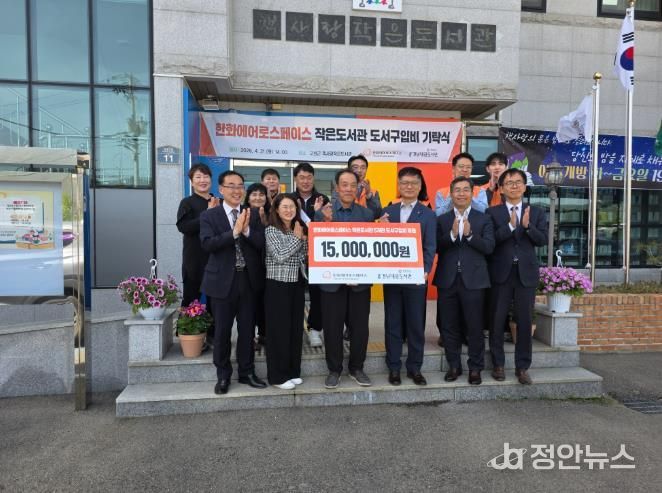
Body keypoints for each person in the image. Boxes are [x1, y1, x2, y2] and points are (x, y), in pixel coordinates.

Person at [200, 170, 267, 395]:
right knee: (222, 331)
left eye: (240, 186)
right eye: (231, 186)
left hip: (248, 280)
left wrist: (246, 230)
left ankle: (247, 372)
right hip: (221, 282)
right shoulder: (209, 216)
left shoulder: (253, 214)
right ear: (221, 189)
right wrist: (234, 233)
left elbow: (262, 243)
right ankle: (223, 375)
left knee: (247, 330)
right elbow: (207, 244)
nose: (237, 190)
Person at [314, 169, 375, 389]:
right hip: (332, 282)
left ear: (358, 189)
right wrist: (325, 222)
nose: (349, 189)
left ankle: (357, 368)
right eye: (344, 185)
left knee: (360, 328)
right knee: (332, 328)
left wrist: (358, 273)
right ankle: (334, 369)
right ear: (337, 188)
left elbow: (371, 249)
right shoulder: (323, 213)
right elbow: (318, 247)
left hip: (360, 283)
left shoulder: (367, 215)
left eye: (353, 185)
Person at [487, 168, 547, 385]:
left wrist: (527, 227)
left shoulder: (536, 212)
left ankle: (522, 367)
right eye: (509, 183)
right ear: (501, 189)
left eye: (518, 182)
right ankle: (498, 365)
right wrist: (510, 226)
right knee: (496, 320)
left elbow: (542, 240)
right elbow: (490, 242)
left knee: (524, 321)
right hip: (500, 273)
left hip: (525, 274)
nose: (514, 186)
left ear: (524, 186)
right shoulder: (492, 213)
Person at [434, 177, 495, 385]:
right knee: (449, 326)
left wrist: (469, 236)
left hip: (474, 281)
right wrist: (452, 235)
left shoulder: (484, 219)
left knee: (474, 326)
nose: (461, 194)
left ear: (472, 193)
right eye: (457, 190)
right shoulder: (442, 219)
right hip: (447, 280)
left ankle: (475, 368)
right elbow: (436, 247)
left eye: (465, 190)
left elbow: (489, 247)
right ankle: (454, 366)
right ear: (451, 194)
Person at [379, 167, 436, 386]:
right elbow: (379, 244)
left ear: (420, 186)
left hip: (416, 278)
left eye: (413, 183)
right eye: (404, 183)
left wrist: (425, 270)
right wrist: (381, 228)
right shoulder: (388, 212)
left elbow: (430, 247)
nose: (409, 186)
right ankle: (394, 367)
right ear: (399, 185)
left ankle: (415, 368)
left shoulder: (428, 214)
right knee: (392, 323)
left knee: (415, 325)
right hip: (392, 277)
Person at [264, 194, 308, 390]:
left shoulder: (297, 228)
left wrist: (303, 240)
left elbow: (302, 255)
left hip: (296, 283)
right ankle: (277, 376)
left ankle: (293, 371)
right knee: (279, 331)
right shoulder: (271, 230)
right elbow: (280, 255)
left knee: (295, 330)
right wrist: (298, 239)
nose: (289, 210)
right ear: (276, 209)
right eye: (285, 206)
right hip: (277, 284)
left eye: (292, 207)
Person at [176, 163, 219, 347]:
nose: (203, 180)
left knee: (215, 300)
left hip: (215, 258)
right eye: (198, 177)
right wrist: (207, 214)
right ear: (192, 182)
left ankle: (213, 337)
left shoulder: (218, 201)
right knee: (191, 298)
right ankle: (188, 338)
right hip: (194, 258)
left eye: (206, 176)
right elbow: (183, 227)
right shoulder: (187, 202)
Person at [292, 162, 329, 348]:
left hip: (317, 253)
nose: (305, 181)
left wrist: (317, 214)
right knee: (294, 293)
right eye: (301, 177)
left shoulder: (323, 199)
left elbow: (328, 226)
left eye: (309, 177)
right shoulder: (289, 199)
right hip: (293, 253)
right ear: (295, 179)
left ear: (313, 178)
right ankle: (294, 329)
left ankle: (315, 329)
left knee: (317, 293)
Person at [243, 182, 269, 349]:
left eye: (261, 194)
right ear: (248, 197)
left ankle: (264, 335)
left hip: (268, 267)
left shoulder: (272, 213)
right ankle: (250, 337)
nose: (258, 198)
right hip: (250, 267)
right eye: (254, 194)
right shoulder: (244, 213)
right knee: (250, 304)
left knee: (264, 303)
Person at [333, 154, 382, 220]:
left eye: (363, 168)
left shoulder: (373, 192)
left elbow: (377, 215)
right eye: (355, 167)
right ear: (349, 169)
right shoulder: (340, 189)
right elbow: (335, 211)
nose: (359, 170)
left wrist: (368, 195)